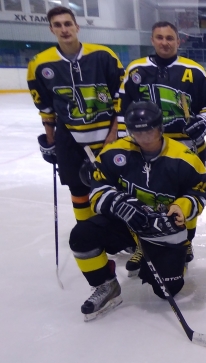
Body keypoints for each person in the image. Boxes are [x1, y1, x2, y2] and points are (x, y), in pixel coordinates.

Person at [70, 101, 206, 321]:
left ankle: (175, 256)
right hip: (127, 226)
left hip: (163, 229)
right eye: (137, 132)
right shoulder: (114, 152)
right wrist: (118, 203)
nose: (144, 137)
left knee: (166, 292)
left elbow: (199, 193)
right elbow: (97, 190)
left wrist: (180, 207)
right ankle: (106, 285)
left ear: (160, 127)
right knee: (81, 235)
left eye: (149, 131)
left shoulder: (184, 158)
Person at [118, 21, 206, 270]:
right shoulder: (136, 69)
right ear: (152, 40)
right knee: (144, 197)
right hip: (145, 149)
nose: (165, 42)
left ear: (178, 41)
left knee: (189, 197)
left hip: (187, 149)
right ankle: (142, 245)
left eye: (170, 38)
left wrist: (203, 122)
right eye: (160, 37)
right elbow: (123, 110)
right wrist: (124, 145)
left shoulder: (194, 71)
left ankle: (186, 242)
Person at [29, 6, 124, 222]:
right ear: (51, 29)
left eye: (67, 24)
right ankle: (86, 230)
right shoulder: (39, 63)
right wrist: (51, 141)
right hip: (69, 138)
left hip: (107, 137)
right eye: (58, 25)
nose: (64, 29)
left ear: (76, 27)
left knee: (114, 187)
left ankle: (115, 231)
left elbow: (121, 98)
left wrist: (114, 134)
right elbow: (46, 108)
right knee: (77, 188)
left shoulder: (103, 55)